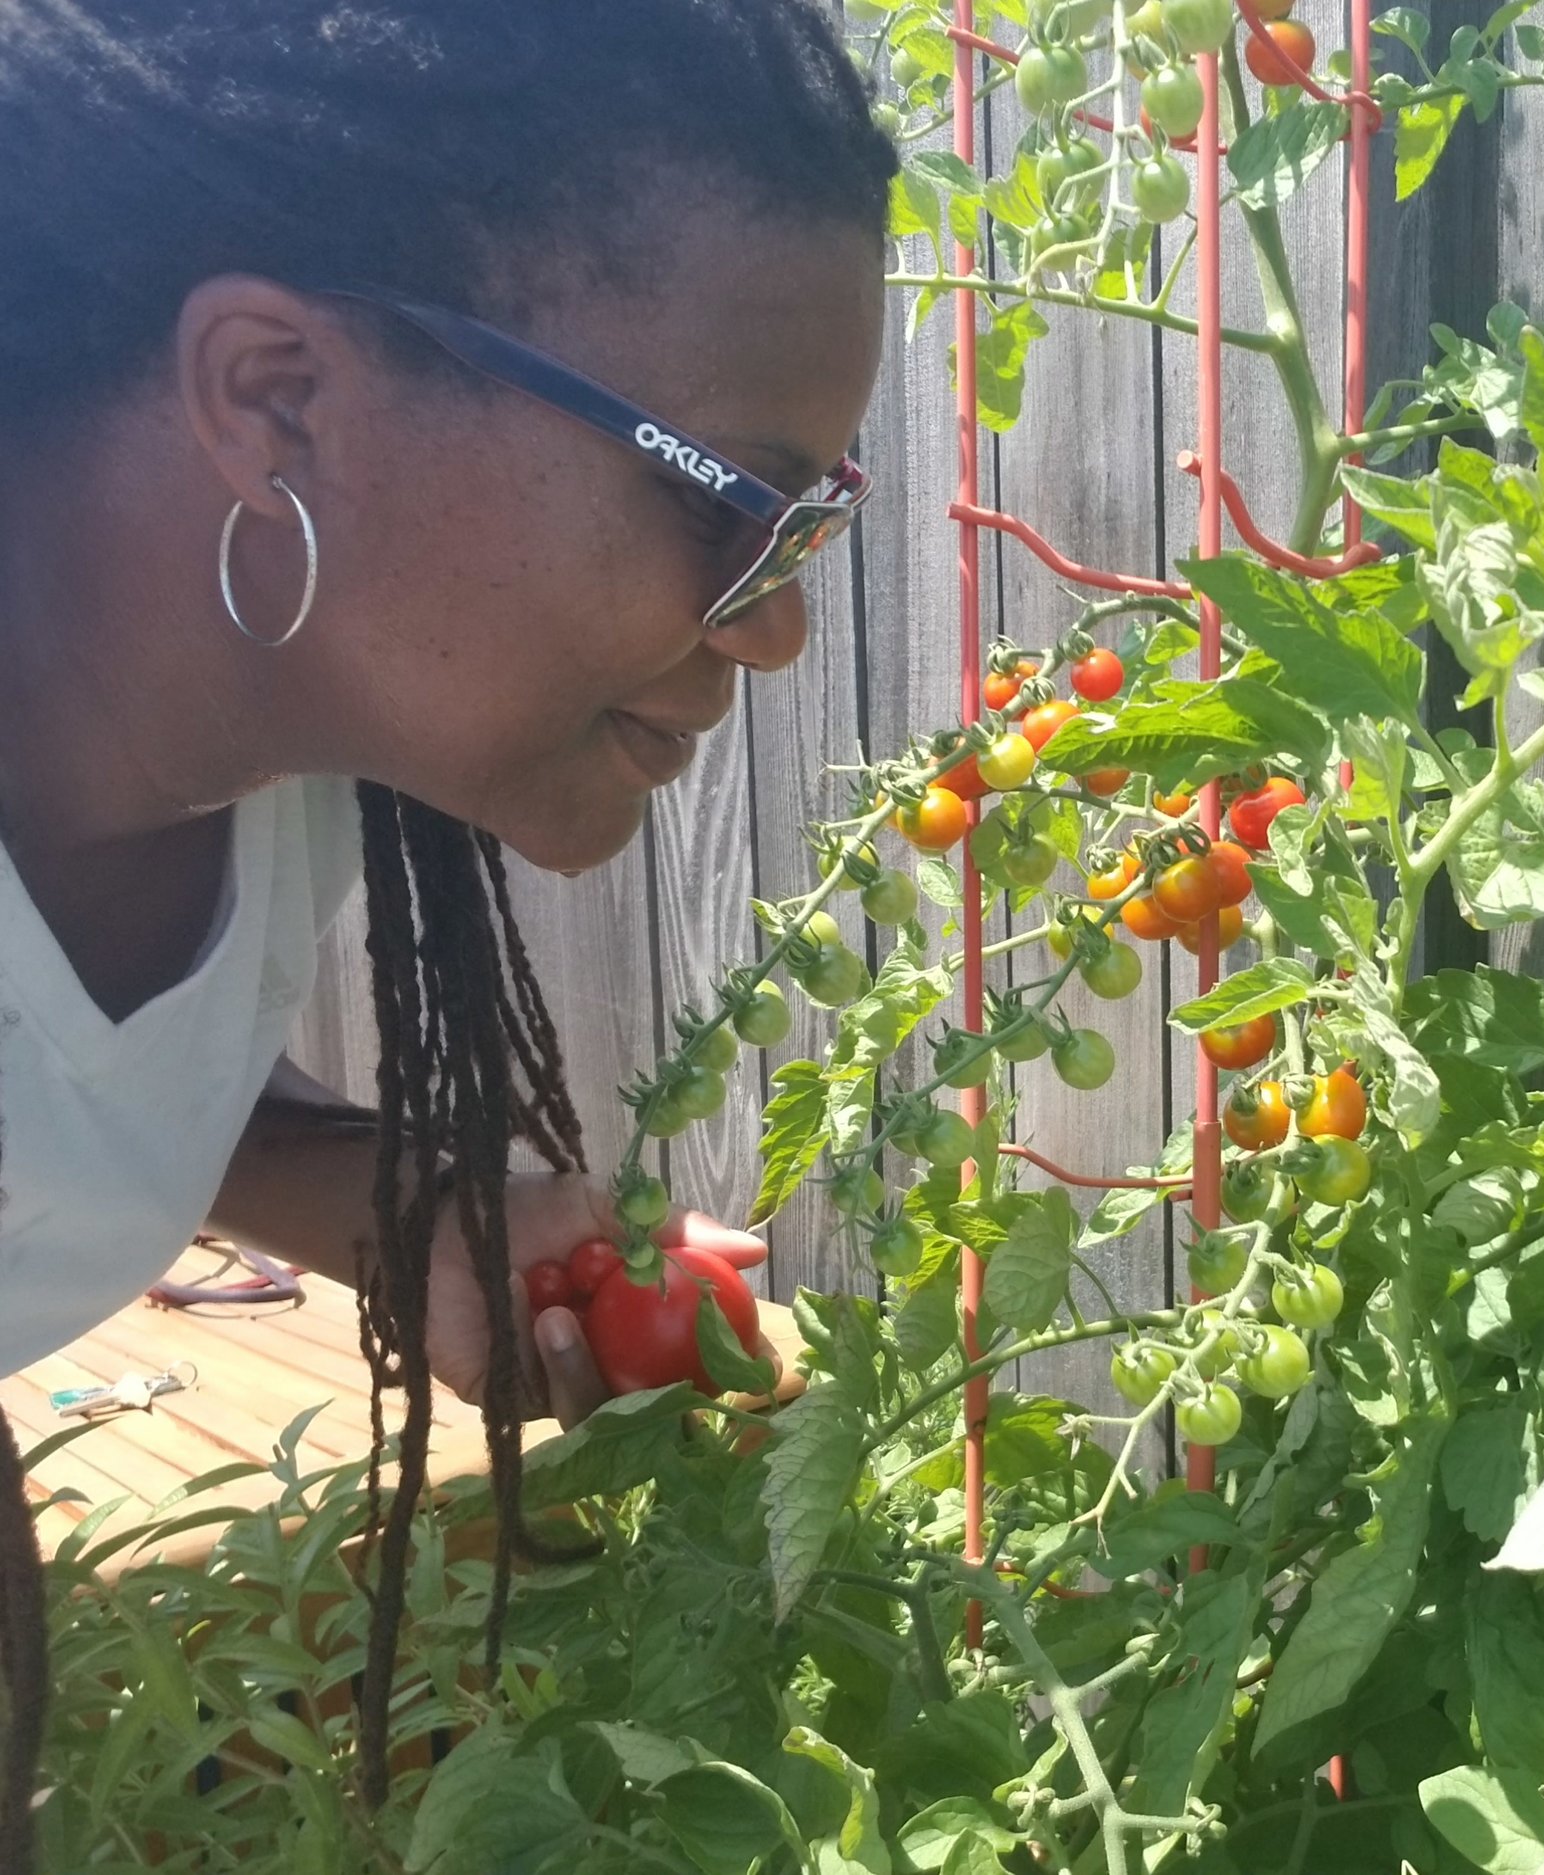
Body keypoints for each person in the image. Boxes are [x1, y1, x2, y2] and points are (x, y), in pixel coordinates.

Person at [0, 0, 896, 1849]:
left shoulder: (280, 737)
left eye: (814, 536)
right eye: (735, 506)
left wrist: (397, 1205)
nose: (777, 627)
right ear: (274, 397)